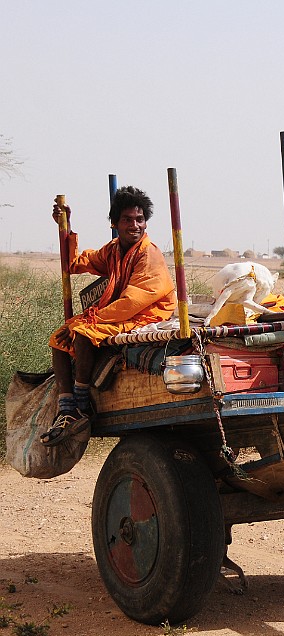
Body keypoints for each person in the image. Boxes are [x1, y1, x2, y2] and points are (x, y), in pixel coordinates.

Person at [41, 186, 177, 446]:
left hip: (146, 315)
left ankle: (82, 401)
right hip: (124, 312)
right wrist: (65, 227)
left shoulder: (149, 254)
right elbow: (76, 263)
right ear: (115, 223)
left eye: (139, 219)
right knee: (58, 339)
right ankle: (66, 404)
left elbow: (134, 302)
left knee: (82, 332)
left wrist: (93, 319)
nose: (134, 225)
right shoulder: (113, 249)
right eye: (128, 219)